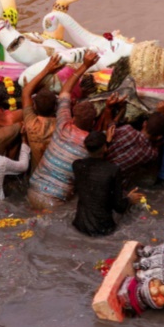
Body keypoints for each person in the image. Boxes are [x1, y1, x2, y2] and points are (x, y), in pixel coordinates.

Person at [27, 50, 99, 209]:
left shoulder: (63, 125)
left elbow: (65, 92)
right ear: (93, 124)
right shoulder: (91, 146)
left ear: (73, 119)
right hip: (56, 201)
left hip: (33, 190)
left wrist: (85, 65)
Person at [72, 131, 143, 236]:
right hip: (103, 230)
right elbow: (119, 208)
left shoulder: (77, 165)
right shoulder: (113, 170)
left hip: (80, 226)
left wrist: (105, 144)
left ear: (85, 147)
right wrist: (129, 199)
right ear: (105, 148)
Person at [21, 54, 63, 172]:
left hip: (36, 174)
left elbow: (26, 92)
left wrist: (47, 69)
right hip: (55, 175)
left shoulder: (31, 123)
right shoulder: (62, 125)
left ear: (34, 106)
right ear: (56, 107)